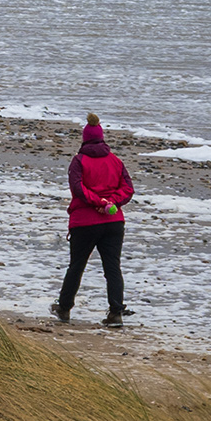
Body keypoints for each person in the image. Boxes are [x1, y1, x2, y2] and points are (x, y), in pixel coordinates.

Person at [56, 114, 133, 323]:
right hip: (113, 222)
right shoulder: (115, 161)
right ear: (102, 138)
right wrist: (111, 203)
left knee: (77, 266)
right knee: (112, 268)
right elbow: (128, 188)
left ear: (84, 138)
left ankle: (64, 308)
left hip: (85, 222)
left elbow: (78, 188)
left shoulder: (79, 161)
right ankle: (116, 312)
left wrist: (100, 202)